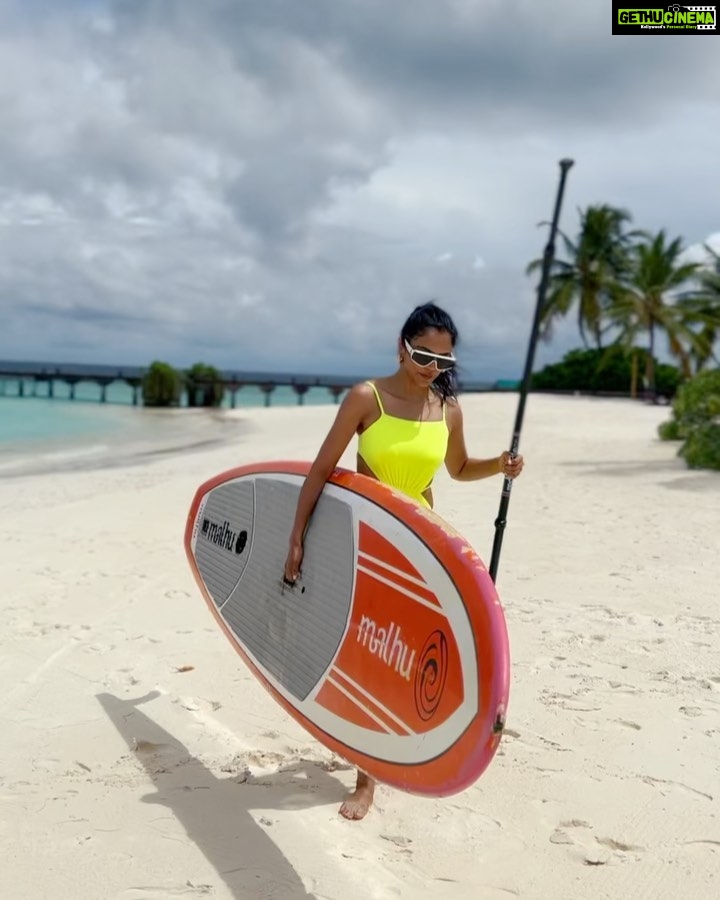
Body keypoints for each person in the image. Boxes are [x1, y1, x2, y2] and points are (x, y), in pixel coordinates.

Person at [283, 301, 524, 820]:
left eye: (444, 361)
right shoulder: (365, 397)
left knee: (411, 652)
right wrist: (297, 538)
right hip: (368, 541)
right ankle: (366, 780)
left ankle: (403, 746)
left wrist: (499, 466)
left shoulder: (448, 408)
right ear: (401, 346)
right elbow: (322, 470)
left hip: (422, 544)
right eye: (421, 354)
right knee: (370, 659)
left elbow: (458, 468)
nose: (431, 367)